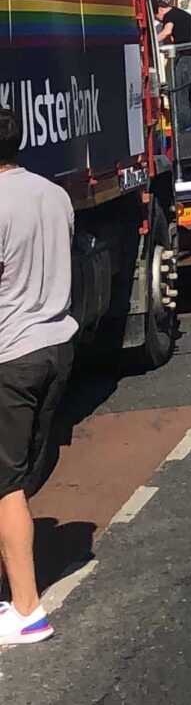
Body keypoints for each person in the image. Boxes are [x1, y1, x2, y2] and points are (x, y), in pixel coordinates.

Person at [0, 106, 78, 645]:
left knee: (5, 487)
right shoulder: (55, 195)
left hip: (10, 354)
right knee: (23, 473)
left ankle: (27, 610)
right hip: (56, 345)